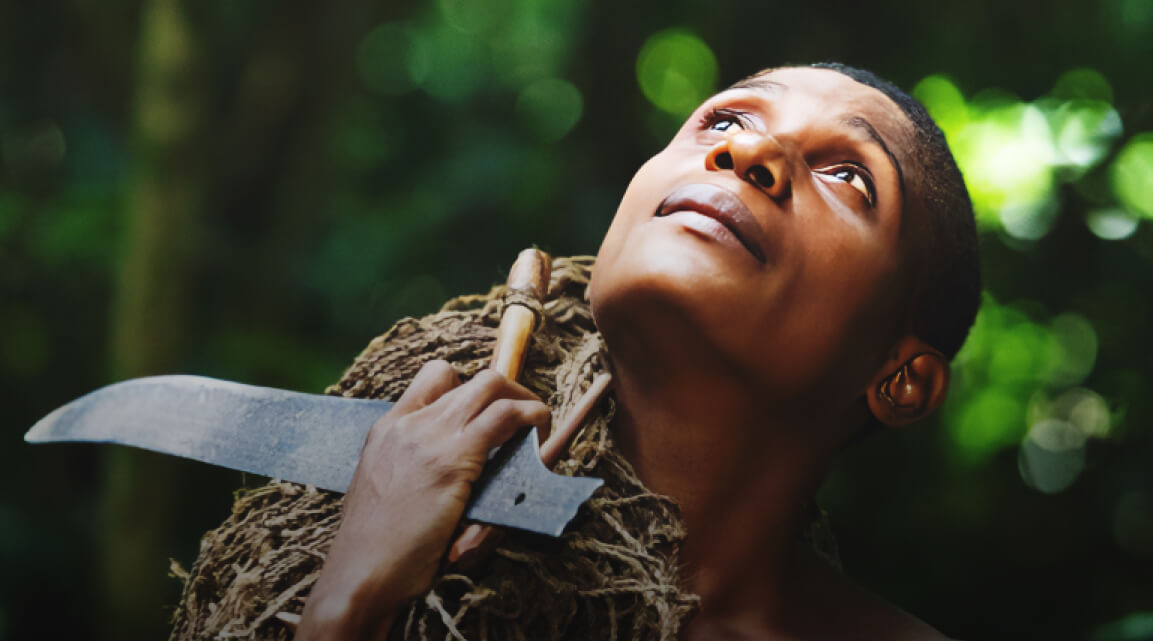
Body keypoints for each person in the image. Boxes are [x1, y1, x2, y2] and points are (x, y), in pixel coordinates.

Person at [174, 62, 980, 641]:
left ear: (901, 379)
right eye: (725, 121)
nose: (744, 155)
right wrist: (353, 590)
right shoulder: (381, 529)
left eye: (849, 176)